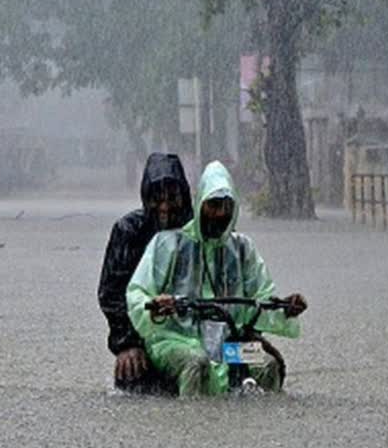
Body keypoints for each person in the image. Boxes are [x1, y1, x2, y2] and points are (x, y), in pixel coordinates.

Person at [126, 160, 307, 397]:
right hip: (176, 340)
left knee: (268, 365)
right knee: (196, 364)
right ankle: (193, 427)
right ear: (200, 203)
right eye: (213, 205)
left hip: (230, 345)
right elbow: (137, 292)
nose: (220, 213)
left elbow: (261, 299)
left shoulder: (243, 249)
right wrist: (155, 307)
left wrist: (285, 309)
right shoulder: (168, 244)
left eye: (226, 206)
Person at [98, 153, 194, 392]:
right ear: (145, 198)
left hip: (196, 332)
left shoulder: (198, 230)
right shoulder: (129, 231)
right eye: (156, 199)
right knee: (133, 372)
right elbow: (112, 294)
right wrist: (127, 343)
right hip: (143, 334)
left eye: (172, 198)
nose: (165, 207)